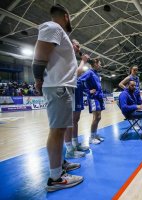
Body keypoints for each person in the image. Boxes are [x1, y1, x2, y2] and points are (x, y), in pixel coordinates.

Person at [32, 4, 83, 192]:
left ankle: (60, 164)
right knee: (57, 130)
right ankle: (55, 178)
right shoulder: (52, 27)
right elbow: (39, 55)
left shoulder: (59, 33)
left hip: (63, 86)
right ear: (67, 16)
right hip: (58, 86)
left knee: (61, 130)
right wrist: (38, 78)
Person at [64, 39, 89, 159]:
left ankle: (75, 143)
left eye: (80, 45)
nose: (79, 47)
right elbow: (77, 73)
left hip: (74, 89)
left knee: (75, 119)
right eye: (76, 45)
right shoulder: (67, 54)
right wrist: (83, 61)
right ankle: (69, 149)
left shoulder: (71, 56)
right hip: (67, 89)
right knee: (69, 121)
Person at [79, 58, 105, 145]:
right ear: (95, 64)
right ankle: (91, 137)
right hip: (93, 98)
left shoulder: (96, 74)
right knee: (96, 117)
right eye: (99, 64)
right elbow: (79, 80)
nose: (100, 65)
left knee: (99, 117)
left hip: (99, 97)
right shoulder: (89, 72)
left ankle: (95, 134)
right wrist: (88, 91)